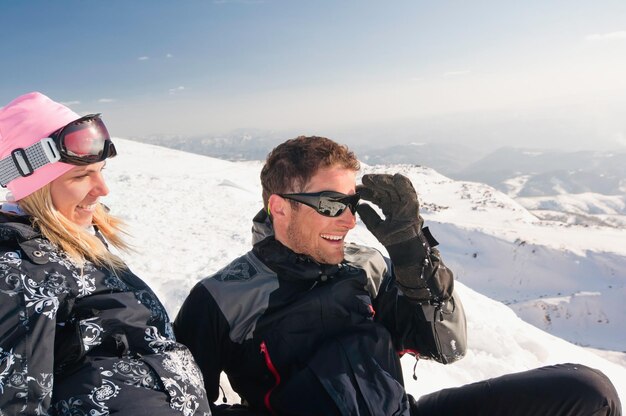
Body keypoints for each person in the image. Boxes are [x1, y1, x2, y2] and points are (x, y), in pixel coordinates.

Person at [174, 135, 621, 415]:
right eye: (331, 205)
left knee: (588, 392)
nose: (348, 222)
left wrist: (411, 254)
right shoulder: (220, 298)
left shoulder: (366, 266)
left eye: (351, 205)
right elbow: (184, 408)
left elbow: (445, 347)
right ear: (279, 208)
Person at [0, 92, 212, 415]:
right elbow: (16, 404)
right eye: (81, 175)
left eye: (100, 170)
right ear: (35, 188)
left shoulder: (76, 237)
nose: (103, 188)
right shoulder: (17, 271)